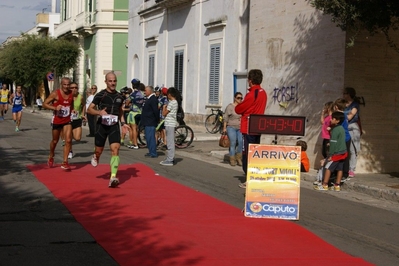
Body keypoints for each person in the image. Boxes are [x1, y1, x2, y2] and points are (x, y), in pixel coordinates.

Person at [87, 72, 130, 188]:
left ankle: (113, 177)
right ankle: (96, 156)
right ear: (106, 82)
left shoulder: (120, 97)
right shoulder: (101, 95)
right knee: (98, 151)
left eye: (114, 81)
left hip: (114, 126)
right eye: (110, 81)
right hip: (102, 126)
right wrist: (99, 112)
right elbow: (89, 110)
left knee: (115, 149)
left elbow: (120, 111)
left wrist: (123, 123)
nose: (113, 83)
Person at [235, 69, 267, 188]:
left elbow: (239, 109)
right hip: (258, 126)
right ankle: (255, 177)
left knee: (247, 154)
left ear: (251, 80)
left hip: (248, 127)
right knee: (255, 153)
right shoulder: (263, 93)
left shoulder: (252, 93)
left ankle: (250, 178)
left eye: (249, 80)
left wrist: (238, 105)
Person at [42, 77, 75, 170]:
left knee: (68, 140)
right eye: (65, 84)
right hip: (57, 120)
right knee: (55, 141)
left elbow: (70, 105)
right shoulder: (55, 94)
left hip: (67, 120)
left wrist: (73, 110)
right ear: (61, 84)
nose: (66, 86)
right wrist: (54, 108)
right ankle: (51, 155)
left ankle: (65, 162)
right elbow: (44, 104)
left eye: (68, 85)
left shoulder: (71, 94)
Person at [314, 111, 348, 192]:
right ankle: (337, 185)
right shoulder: (341, 128)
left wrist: (330, 155)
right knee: (340, 168)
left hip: (336, 153)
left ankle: (324, 184)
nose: (331, 120)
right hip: (343, 152)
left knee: (328, 167)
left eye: (333, 118)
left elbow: (333, 143)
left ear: (337, 120)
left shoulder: (335, 130)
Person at [343, 87, 361, 178]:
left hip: (352, 128)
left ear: (349, 94)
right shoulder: (343, 104)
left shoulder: (355, 104)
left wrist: (341, 116)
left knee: (352, 149)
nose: (344, 95)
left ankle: (351, 169)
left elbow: (350, 116)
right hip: (344, 127)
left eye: (345, 93)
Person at [159, 87, 179, 166]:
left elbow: (164, 113)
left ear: (170, 95)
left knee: (170, 142)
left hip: (170, 124)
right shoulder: (174, 102)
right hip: (169, 123)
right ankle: (169, 158)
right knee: (169, 141)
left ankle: (170, 159)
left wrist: (164, 107)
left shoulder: (172, 102)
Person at [223, 92, 243, 166]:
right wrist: (224, 128)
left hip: (240, 127)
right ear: (235, 98)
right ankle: (232, 159)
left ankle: (238, 158)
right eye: (238, 98)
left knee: (241, 142)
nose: (240, 99)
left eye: (241, 98)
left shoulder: (242, 106)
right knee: (233, 143)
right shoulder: (230, 107)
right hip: (231, 127)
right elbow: (226, 118)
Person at [333, 98, 351, 180]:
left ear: (336, 107)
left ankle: (344, 173)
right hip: (346, 137)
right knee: (344, 156)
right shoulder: (344, 114)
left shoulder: (339, 116)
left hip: (343, 138)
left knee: (342, 156)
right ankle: (343, 173)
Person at [125, 78, 145, 149]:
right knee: (137, 129)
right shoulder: (143, 93)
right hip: (141, 112)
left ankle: (135, 144)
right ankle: (135, 143)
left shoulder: (133, 94)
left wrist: (129, 103)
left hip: (133, 113)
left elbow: (127, 103)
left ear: (133, 85)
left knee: (133, 129)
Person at [68, 82, 85, 159]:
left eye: (76, 87)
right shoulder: (66, 96)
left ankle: (68, 140)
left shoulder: (80, 97)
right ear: (69, 88)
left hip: (77, 119)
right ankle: (70, 151)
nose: (74, 89)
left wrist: (83, 114)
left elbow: (84, 105)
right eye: (72, 88)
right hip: (67, 120)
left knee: (77, 138)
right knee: (69, 137)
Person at [141, 85, 159, 158]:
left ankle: (153, 153)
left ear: (149, 91)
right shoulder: (148, 99)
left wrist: (157, 120)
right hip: (147, 121)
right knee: (148, 137)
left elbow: (155, 111)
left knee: (151, 137)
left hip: (150, 121)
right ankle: (150, 151)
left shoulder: (153, 99)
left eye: (146, 90)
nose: (145, 92)